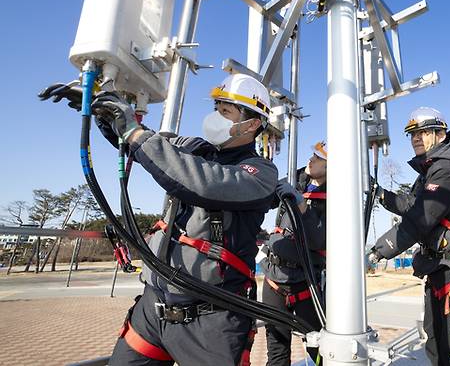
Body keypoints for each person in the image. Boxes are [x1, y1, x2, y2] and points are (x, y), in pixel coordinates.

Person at [92, 73, 279, 365]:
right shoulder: (194, 148)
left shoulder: (260, 173)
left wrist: (135, 133)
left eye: (226, 111)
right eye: (216, 108)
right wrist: (103, 110)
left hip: (210, 322)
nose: (215, 117)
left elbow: (201, 182)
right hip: (152, 311)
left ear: (253, 123)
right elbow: (145, 142)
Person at [367, 107, 450, 366]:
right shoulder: (430, 172)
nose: (416, 138)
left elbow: (420, 219)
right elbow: (413, 206)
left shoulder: (447, 169)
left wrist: (377, 251)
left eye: (423, 132)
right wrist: (380, 194)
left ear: (441, 134)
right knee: (435, 341)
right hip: (440, 268)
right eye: (412, 134)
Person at [261, 141, 328, 365]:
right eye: (311, 155)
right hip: (273, 279)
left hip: (305, 282)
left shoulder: (336, 199)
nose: (311, 160)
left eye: (318, 158)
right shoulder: (294, 183)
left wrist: (300, 204)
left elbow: (319, 238)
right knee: (277, 348)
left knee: (318, 346)